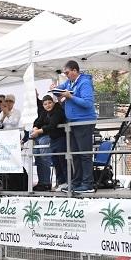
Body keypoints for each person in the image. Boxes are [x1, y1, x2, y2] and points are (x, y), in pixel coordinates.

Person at [51, 60, 96, 193]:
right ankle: (77, 182)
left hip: (84, 122)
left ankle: (88, 184)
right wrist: (54, 88)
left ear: (75, 70)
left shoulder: (84, 82)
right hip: (73, 123)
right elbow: (60, 90)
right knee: (75, 155)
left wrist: (70, 97)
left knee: (84, 154)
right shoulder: (69, 83)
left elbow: (88, 103)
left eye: (67, 72)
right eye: (64, 73)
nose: (66, 75)